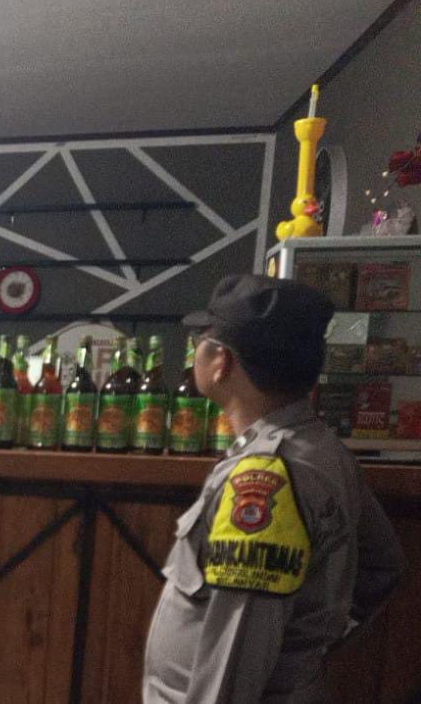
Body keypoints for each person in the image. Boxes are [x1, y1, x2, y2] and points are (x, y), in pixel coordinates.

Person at [143, 274, 404, 702]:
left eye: (200, 339)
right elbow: (383, 566)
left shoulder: (265, 478)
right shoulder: (321, 449)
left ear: (221, 361)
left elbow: (233, 665)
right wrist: (306, 644)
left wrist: (299, 649)